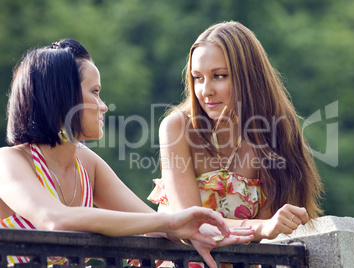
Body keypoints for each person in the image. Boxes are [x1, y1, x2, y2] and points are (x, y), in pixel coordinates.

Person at [0, 39, 254, 267]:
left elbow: (148, 222)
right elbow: (55, 220)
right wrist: (171, 223)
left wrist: (188, 234)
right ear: (62, 98)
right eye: (95, 92)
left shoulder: (86, 163)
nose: (103, 106)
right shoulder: (8, 161)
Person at [148, 21, 324, 248]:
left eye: (219, 76)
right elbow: (190, 224)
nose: (205, 90)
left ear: (248, 77)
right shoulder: (177, 127)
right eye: (197, 77)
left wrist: (273, 224)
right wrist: (263, 227)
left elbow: (271, 230)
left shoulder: (275, 130)